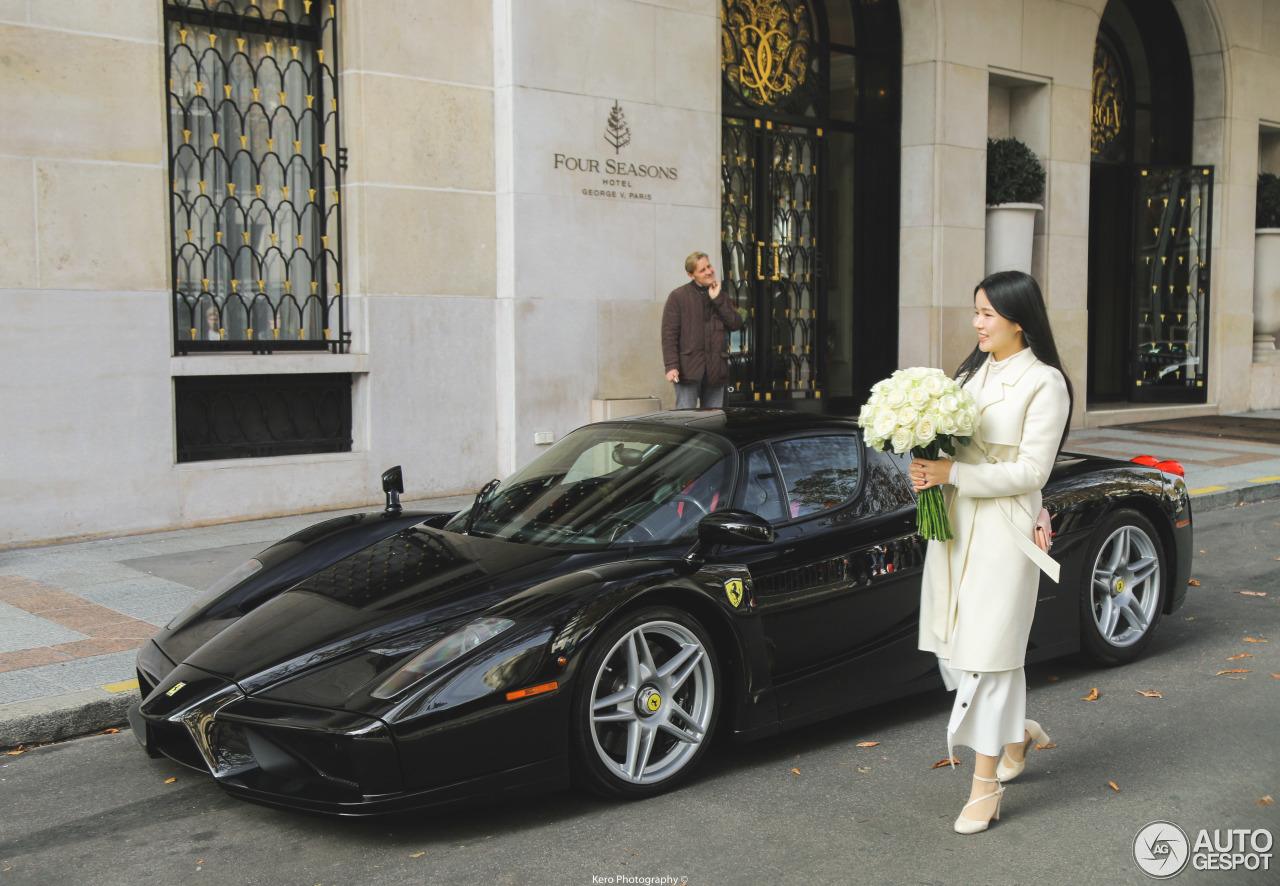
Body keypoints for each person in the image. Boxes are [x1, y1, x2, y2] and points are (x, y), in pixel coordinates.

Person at [908, 270, 1073, 835]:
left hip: (1003, 532)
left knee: (990, 654)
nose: (976, 323)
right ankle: (1014, 733)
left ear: (1017, 319)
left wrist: (956, 471)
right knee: (951, 646)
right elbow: (952, 440)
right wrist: (926, 463)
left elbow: (1032, 468)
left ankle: (985, 788)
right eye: (975, 311)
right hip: (953, 523)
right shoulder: (969, 372)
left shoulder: (1044, 382)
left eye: (986, 313)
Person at [661, 252, 744, 409]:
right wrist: (671, 366)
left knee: (713, 420)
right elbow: (669, 335)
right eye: (702, 270)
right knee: (686, 417)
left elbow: (735, 324)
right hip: (688, 369)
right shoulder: (678, 297)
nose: (709, 271)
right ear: (691, 275)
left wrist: (717, 300)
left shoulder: (722, 296)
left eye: (709, 266)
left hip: (716, 369)